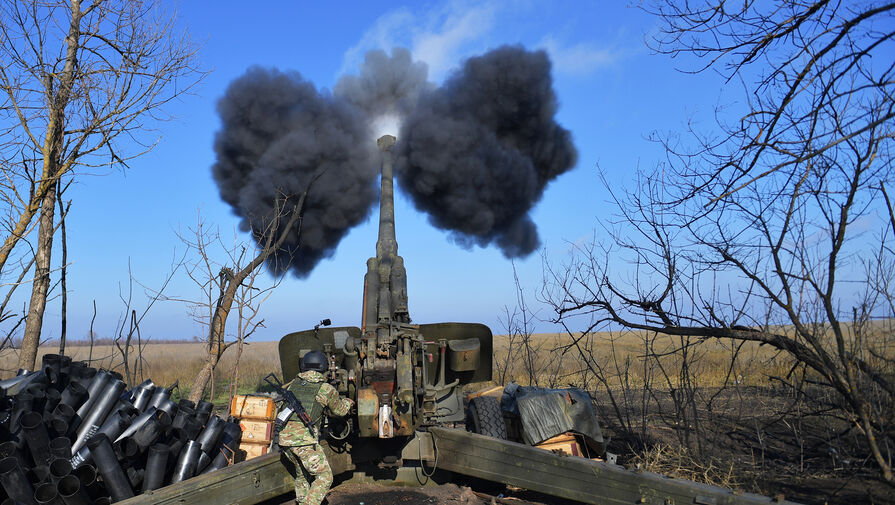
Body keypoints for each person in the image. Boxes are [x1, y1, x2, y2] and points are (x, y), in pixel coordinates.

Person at [278, 350, 354, 505]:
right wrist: (348, 401)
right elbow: (340, 411)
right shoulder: (325, 389)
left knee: (302, 475)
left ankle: (302, 501)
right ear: (324, 367)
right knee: (325, 477)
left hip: (285, 441)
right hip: (304, 442)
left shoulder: (293, 384)